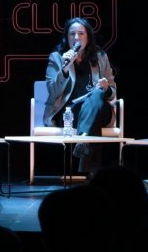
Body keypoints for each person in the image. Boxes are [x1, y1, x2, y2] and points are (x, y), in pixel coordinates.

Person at [44, 17, 117, 175]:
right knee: (92, 120)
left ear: (88, 37)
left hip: (100, 109)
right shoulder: (56, 58)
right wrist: (64, 69)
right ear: (66, 37)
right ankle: (90, 169)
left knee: (97, 94)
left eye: (81, 33)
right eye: (72, 34)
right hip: (70, 112)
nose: (76, 38)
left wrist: (107, 89)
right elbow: (52, 91)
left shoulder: (100, 57)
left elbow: (113, 93)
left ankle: (83, 139)